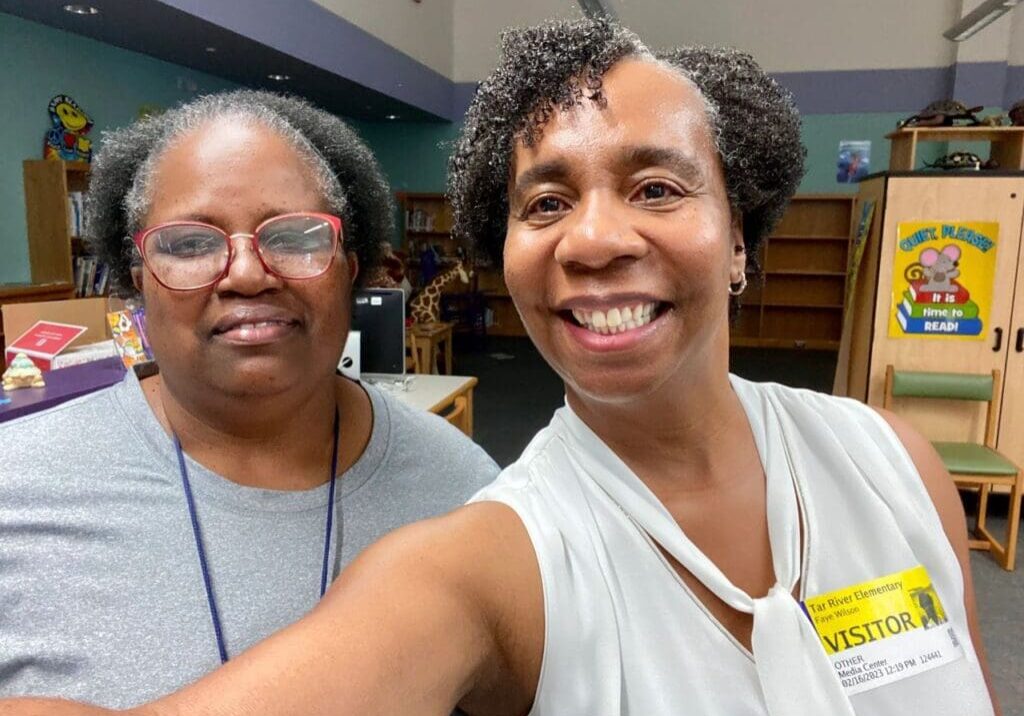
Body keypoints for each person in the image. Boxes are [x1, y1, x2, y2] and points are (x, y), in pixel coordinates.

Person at [1, 19, 1000, 716]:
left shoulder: (892, 462)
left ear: (738, 234)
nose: (597, 238)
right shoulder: (484, 554)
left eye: (655, 184)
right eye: (546, 203)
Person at [0, 90, 498, 708]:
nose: (245, 273)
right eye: (189, 244)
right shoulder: (14, 486)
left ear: (351, 268)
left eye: (293, 236)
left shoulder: (464, 492)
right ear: (138, 285)